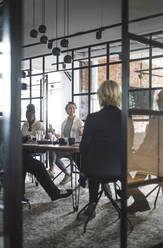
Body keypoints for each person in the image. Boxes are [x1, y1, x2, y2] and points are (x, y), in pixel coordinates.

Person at [79, 80, 121, 217]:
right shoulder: (127, 117)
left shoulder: (93, 118)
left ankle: (92, 203)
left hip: (95, 171)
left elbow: (83, 147)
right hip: (120, 170)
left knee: (90, 158)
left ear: (101, 96)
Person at [50, 101, 83, 185]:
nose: (71, 110)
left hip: (75, 149)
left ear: (75, 109)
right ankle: (66, 174)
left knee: (80, 160)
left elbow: (83, 137)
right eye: (69, 108)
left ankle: (84, 179)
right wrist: (53, 133)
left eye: (73, 108)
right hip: (66, 148)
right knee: (53, 153)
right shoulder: (64, 123)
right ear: (66, 110)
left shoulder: (79, 122)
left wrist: (80, 133)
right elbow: (62, 137)